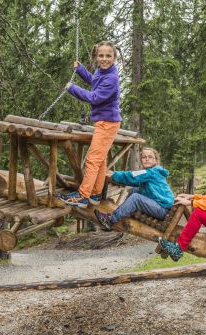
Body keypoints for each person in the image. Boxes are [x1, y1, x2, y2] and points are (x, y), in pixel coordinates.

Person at [58, 41, 122, 208]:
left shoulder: (112, 78)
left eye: (108, 56)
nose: (104, 59)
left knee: (92, 160)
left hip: (108, 123)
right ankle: (95, 193)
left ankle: (83, 196)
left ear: (114, 57)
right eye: (101, 55)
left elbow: (95, 97)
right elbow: (94, 81)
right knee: (99, 160)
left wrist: (72, 88)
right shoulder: (102, 72)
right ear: (96, 57)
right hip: (104, 122)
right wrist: (80, 70)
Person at [94, 148, 174, 230]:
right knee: (135, 189)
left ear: (155, 160)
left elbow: (132, 176)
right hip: (159, 206)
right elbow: (135, 181)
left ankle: (110, 220)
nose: (147, 159)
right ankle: (126, 211)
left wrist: (114, 174)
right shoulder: (151, 172)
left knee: (135, 198)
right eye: (144, 157)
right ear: (141, 160)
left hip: (162, 210)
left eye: (150, 157)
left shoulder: (152, 172)